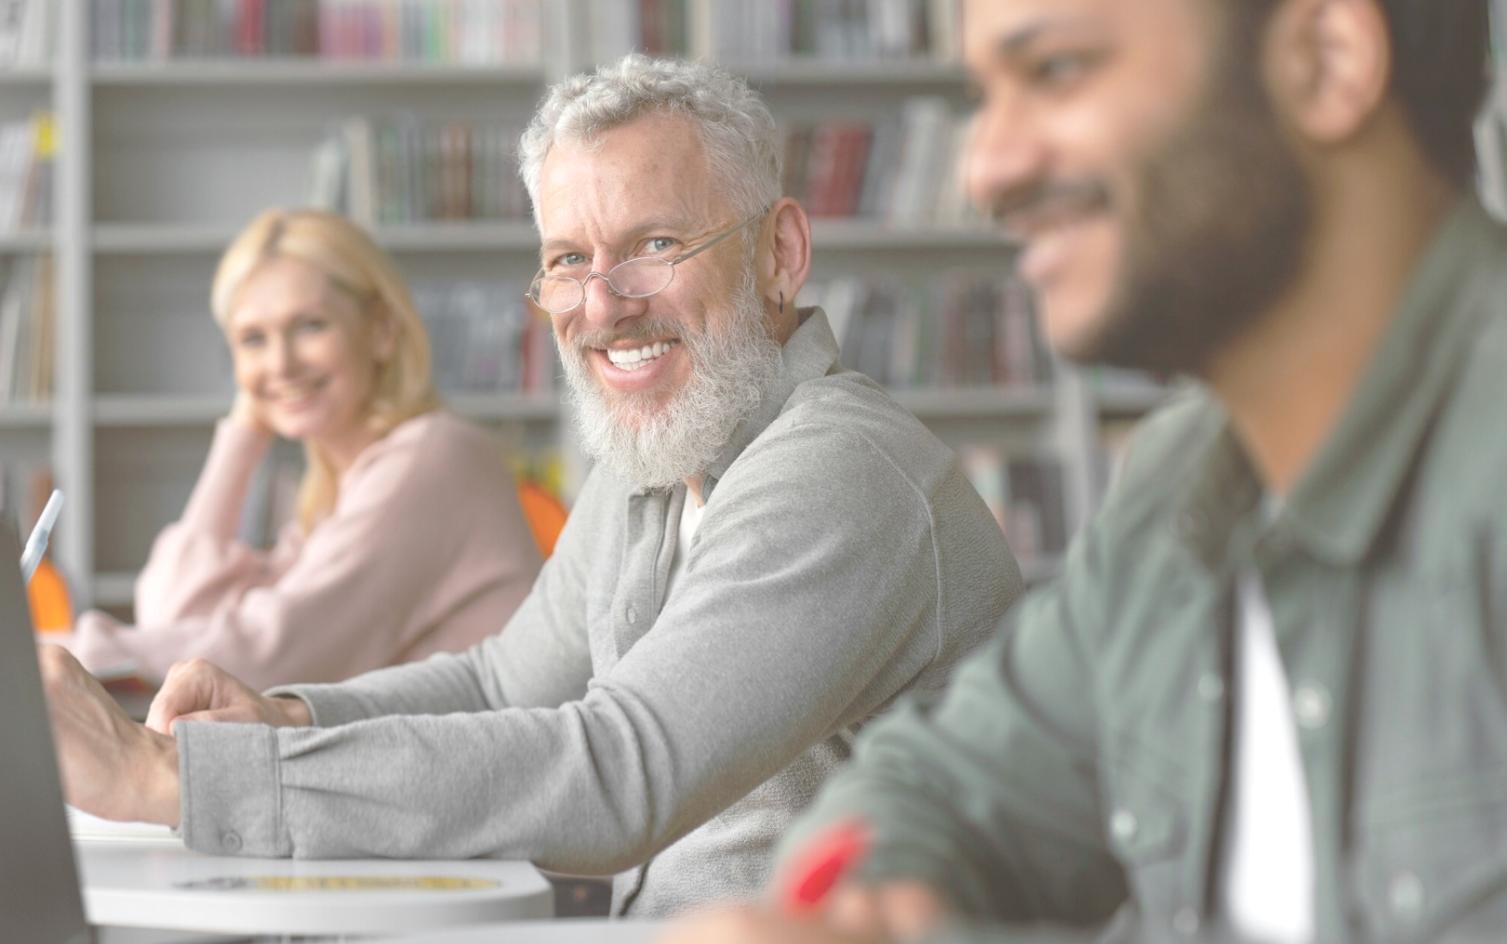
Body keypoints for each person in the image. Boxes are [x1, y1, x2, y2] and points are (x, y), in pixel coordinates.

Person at [39, 56, 1021, 917]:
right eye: (567, 260)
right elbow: (499, 680)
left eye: (654, 245)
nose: (602, 303)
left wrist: (169, 775)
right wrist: (289, 718)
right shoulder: (657, 459)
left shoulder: (839, 472)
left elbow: (617, 770)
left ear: (779, 254)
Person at [660, 0, 1502, 942]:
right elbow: (932, 782)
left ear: (1327, 59)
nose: (986, 169)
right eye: (983, 94)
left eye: (1057, 71)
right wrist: (868, 905)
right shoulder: (1185, 487)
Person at [63, 209, 542, 690]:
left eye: (310, 326)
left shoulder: (432, 459)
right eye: (253, 339)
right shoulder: (333, 491)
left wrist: (71, 652)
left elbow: (268, 656)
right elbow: (170, 615)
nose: (280, 363)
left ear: (381, 330)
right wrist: (243, 433)